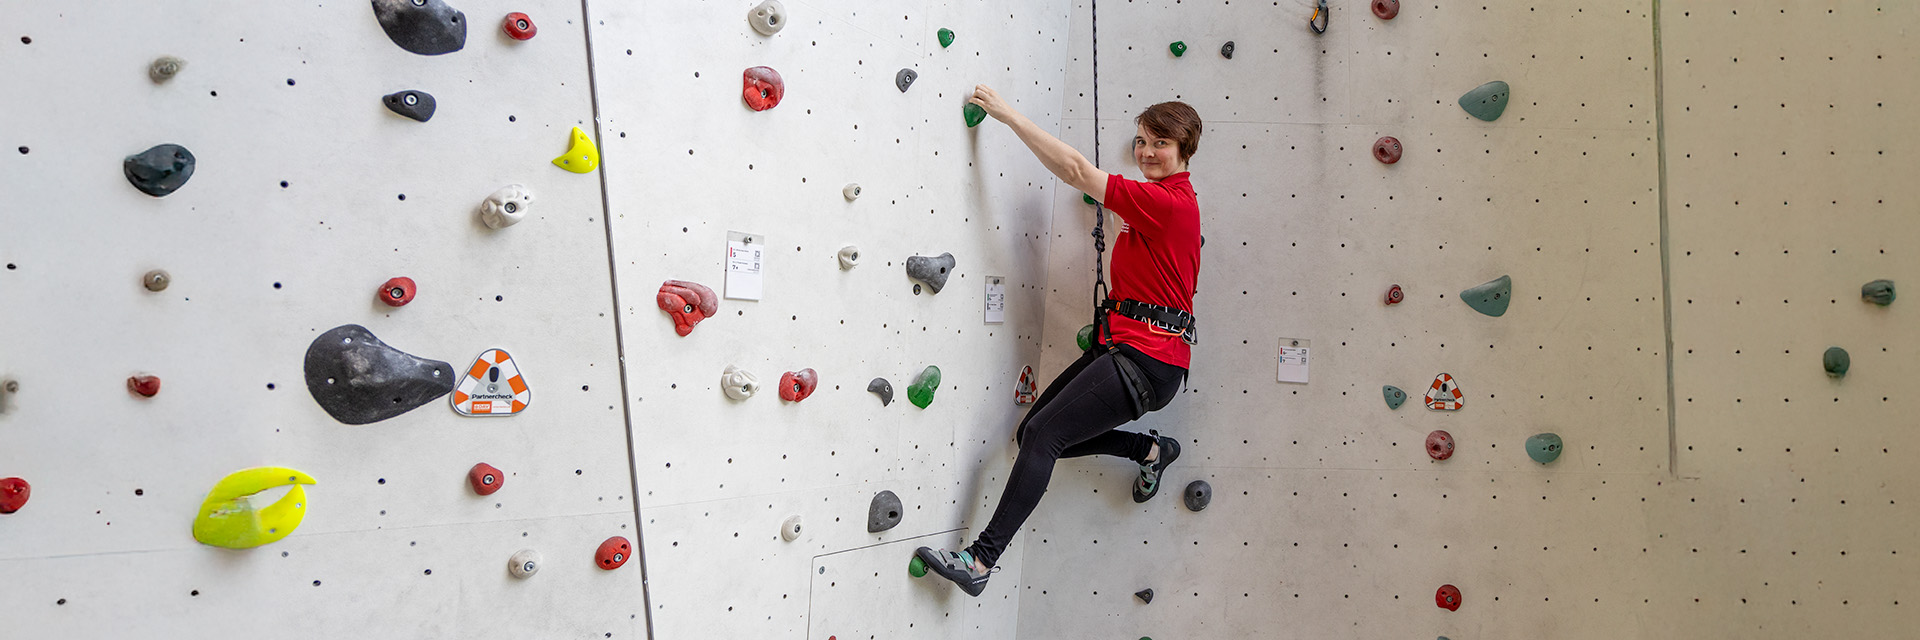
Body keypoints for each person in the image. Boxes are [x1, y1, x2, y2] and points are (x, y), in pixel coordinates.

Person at [915, 85, 1202, 597]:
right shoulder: (1156, 204)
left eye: (1160, 143)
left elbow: (1074, 169)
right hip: (1128, 350)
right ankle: (1150, 449)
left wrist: (1008, 116)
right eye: (1141, 141)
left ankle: (979, 561)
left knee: (1044, 437)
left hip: (1148, 358)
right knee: (1033, 434)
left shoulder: (1168, 203)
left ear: (1184, 150)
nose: (1146, 151)